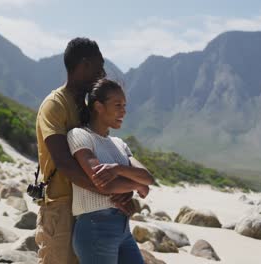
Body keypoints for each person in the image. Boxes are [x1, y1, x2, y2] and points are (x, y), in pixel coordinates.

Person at [35, 38, 134, 264]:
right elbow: (64, 163)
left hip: (90, 209)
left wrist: (122, 190)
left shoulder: (89, 107)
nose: (103, 73)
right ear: (84, 65)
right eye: (99, 67)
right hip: (61, 206)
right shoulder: (55, 105)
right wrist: (111, 193)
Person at [67, 78, 154, 264]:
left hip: (123, 229)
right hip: (95, 227)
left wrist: (117, 169)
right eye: (118, 105)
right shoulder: (80, 136)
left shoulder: (119, 144)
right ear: (98, 106)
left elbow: (148, 179)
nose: (123, 111)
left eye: (124, 105)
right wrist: (135, 185)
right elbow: (103, 184)